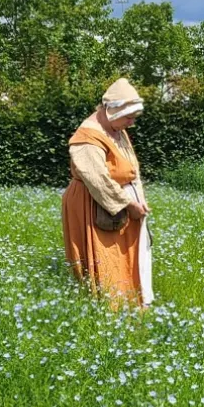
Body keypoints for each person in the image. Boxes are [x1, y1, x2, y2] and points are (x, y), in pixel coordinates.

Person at [62, 78, 153, 308]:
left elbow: (131, 167)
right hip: (94, 204)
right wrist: (128, 204)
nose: (132, 122)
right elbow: (97, 180)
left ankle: (129, 303)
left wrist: (140, 199)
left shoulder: (116, 128)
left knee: (123, 257)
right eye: (128, 117)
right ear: (112, 110)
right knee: (104, 257)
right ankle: (106, 309)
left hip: (119, 202)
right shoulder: (87, 138)